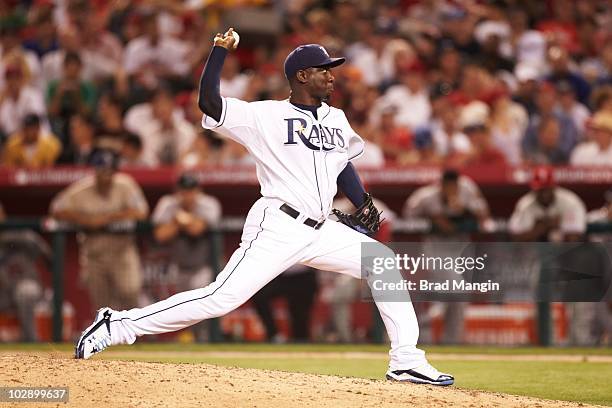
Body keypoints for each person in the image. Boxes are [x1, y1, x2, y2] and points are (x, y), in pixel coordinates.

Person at [75, 30, 454, 387]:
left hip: (322, 229)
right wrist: (220, 50)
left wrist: (362, 201)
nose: (332, 77)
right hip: (279, 223)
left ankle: (406, 359)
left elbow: (343, 164)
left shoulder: (335, 117)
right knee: (221, 297)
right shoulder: (264, 115)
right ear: (302, 76)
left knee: (382, 261)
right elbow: (209, 103)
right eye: (324, 71)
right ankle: (119, 324)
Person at [50, 149, 149, 311]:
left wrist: (106, 218)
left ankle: (129, 335)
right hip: (94, 256)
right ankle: (108, 336)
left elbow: (142, 212)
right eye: (102, 170)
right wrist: (85, 220)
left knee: (131, 292)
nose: (106, 175)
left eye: (109, 171)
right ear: (95, 170)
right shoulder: (81, 189)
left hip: (122, 253)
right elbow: (56, 210)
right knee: (102, 307)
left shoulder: (125, 185)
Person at [151, 173, 221, 341]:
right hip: (180, 267)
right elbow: (160, 235)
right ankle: (196, 346)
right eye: (184, 191)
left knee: (204, 309)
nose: (187, 195)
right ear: (178, 191)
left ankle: (208, 343)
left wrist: (181, 221)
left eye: (191, 191)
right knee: (185, 311)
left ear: (198, 190)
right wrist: (178, 221)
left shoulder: (208, 204)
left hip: (205, 266)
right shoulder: (168, 204)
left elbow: (197, 229)